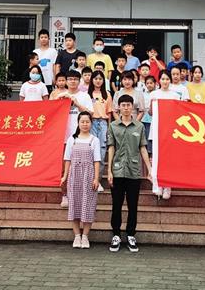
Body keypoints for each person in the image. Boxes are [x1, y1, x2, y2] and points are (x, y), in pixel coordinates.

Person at [107, 94, 152, 253]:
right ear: (118, 107)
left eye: (128, 105)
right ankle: (116, 235)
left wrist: (149, 169)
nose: (126, 108)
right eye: (123, 105)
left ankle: (131, 235)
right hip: (118, 170)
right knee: (116, 204)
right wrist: (109, 170)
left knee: (133, 205)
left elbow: (143, 148)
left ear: (132, 107)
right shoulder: (113, 126)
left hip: (134, 171)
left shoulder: (139, 127)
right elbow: (111, 147)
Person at [51, 70, 94, 208]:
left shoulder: (84, 96)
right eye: (70, 79)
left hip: (81, 138)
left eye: (75, 79)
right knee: (64, 169)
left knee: (81, 168)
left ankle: (79, 196)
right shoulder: (59, 95)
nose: (72, 81)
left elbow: (91, 114)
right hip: (62, 138)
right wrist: (58, 102)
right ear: (66, 81)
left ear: (79, 81)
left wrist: (76, 103)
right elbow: (50, 114)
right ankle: (65, 195)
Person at [61, 112, 102, 249]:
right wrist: (65, 176)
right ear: (78, 123)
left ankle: (85, 236)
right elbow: (67, 159)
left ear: (91, 123)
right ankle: (77, 236)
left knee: (88, 206)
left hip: (88, 176)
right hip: (74, 176)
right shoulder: (72, 139)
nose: (85, 124)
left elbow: (97, 160)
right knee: (74, 205)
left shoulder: (94, 140)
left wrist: (96, 178)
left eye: (87, 122)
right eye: (82, 122)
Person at [148, 70, 181, 200]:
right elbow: (150, 113)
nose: (165, 81)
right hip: (156, 129)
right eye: (163, 79)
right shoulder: (154, 94)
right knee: (156, 157)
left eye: (167, 79)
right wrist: (152, 103)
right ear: (159, 80)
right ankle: (157, 184)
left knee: (168, 159)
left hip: (170, 130)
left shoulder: (175, 96)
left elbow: (178, 113)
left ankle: (168, 185)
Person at [88, 70, 112, 192]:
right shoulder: (87, 94)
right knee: (90, 152)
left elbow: (109, 113)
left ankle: (98, 180)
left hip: (103, 123)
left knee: (101, 153)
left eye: (100, 79)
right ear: (92, 80)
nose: (98, 81)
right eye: (96, 78)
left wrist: (109, 128)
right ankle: (90, 179)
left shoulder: (107, 94)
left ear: (103, 81)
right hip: (90, 123)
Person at [141, 75, 156, 156]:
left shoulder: (157, 93)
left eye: (151, 83)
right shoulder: (143, 94)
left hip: (154, 118)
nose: (149, 85)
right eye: (147, 83)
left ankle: (151, 152)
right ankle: (147, 152)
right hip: (145, 118)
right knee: (146, 136)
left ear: (155, 84)